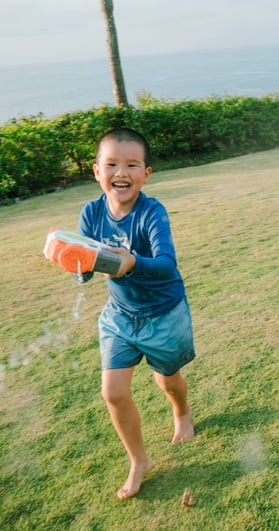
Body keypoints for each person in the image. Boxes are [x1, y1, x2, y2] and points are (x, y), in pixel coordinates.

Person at [77, 127, 195, 499]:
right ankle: (139, 460)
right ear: (97, 171)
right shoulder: (91, 213)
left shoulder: (151, 212)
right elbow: (84, 267)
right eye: (111, 164)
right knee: (112, 392)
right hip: (120, 316)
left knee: (167, 379)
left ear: (146, 173)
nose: (121, 172)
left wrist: (132, 263)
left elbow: (166, 264)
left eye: (132, 164)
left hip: (163, 313)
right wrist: (72, 259)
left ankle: (182, 412)